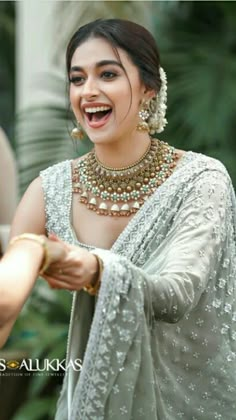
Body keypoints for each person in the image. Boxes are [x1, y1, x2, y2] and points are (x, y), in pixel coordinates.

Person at [10, 18, 236, 420]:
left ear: (149, 88)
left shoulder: (201, 180)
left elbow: (177, 293)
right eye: (77, 79)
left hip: (190, 406)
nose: (88, 91)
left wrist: (96, 269)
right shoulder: (51, 190)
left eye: (108, 74)